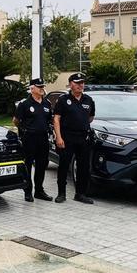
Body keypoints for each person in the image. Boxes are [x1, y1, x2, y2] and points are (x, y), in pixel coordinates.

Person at [52, 72, 95, 204]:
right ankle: (61, 193)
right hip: (67, 138)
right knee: (64, 166)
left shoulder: (88, 100)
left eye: (82, 83)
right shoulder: (63, 100)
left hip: (83, 138)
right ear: (71, 84)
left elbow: (90, 118)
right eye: (77, 83)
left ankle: (80, 194)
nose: (80, 85)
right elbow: (56, 119)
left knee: (83, 167)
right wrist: (59, 137)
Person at [13, 78, 54, 202]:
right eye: (39, 86)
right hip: (29, 138)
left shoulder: (47, 103)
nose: (42, 88)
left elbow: (49, 120)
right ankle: (28, 191)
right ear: (32, 89)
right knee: (28, 165)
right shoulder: (24, 104)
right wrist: (24, 130)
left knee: (41, 165)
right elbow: (15, 121)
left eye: (42, 86)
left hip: (43, 139)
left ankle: (39, 191)